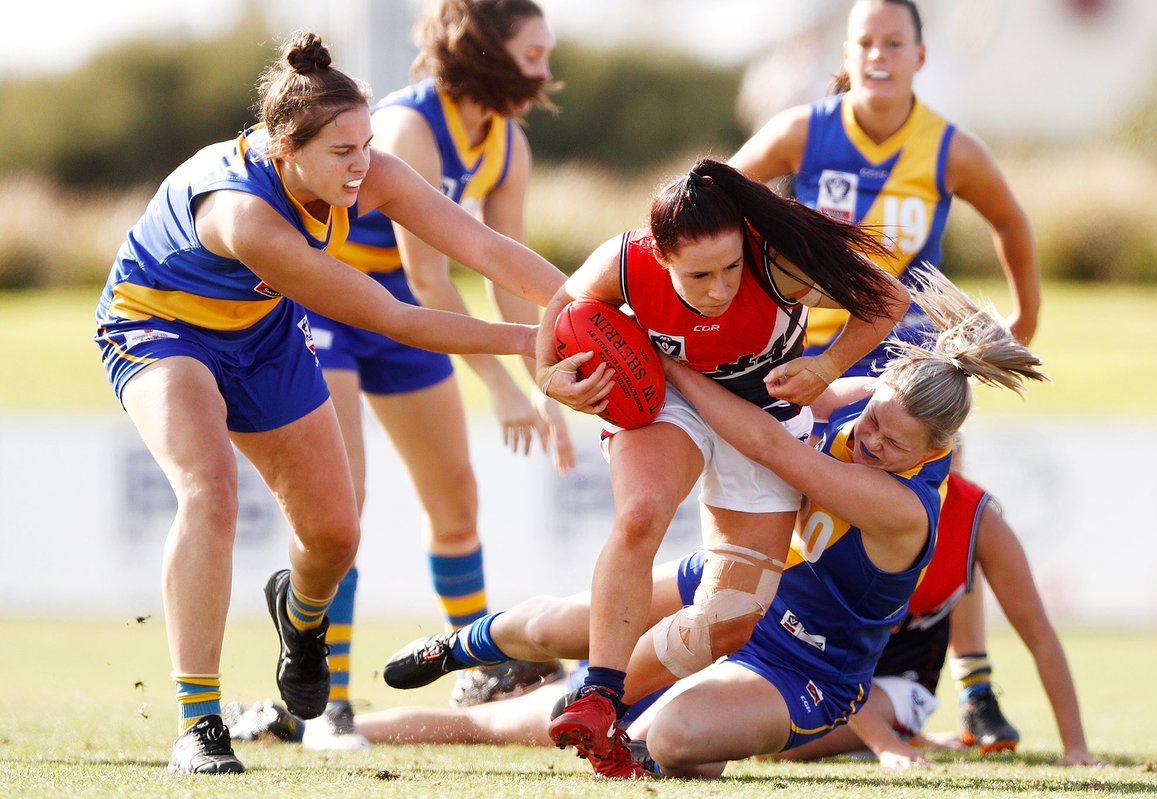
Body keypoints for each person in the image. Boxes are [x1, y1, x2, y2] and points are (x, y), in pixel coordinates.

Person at [92, 31, 565, 775]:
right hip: (159, 325)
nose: (362, 166)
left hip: (261, 331)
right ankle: (199, 722)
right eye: (343, 152)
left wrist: (588, 307)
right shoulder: (245, 215)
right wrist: (532, 343)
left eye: (366, 146)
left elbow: (486, 249)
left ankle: (303, 618)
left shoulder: (364, 170)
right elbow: (396, 317)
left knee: (335, 536)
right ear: (285, 146)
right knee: (208, 489)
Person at [384, 268, 1046, 777]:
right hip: (733, 582)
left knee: (669, 735)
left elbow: (770, 447)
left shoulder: (906, 509)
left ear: (935, 455)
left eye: (894, 444)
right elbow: (781, 397)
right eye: (875, 419)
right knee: (559, 624)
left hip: (800, 667)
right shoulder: (859, 402)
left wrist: (670, 362)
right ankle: (457, 646)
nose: (871, 439)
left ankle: (669, 736)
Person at [525, 156, 910, 770]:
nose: (722, 287)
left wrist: (828, 366)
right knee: (642, 513)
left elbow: (887, 297)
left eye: (731, 267)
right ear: (660, 254)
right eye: (700, 275)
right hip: (668, 394)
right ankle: (598, 693)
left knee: (729, 622)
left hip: (765, 420)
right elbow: (565, 302)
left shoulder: (779, 263)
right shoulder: (627, 262)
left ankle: (598, 690)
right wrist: (549, 377)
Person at [729, 0, 1042, 743]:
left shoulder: (949, 148)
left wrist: (1022, 325)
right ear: (846, 50)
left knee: (948, 521)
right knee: (776, 504)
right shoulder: (804, 129)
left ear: (920, 57)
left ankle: (976, 685)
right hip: (808, 366)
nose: (879, 55)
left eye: (893, 42)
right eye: (865, 41)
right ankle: (741, 649)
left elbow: (1012, 221)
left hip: (911, 376)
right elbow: (709, 204)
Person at [299, 0, 568, 751]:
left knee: (455, 499)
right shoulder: (412, 126)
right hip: (329, 308)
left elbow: (505, 275)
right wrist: (503, 387)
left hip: (401, 323)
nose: (547, 70)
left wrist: (545, 383)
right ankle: (327, 703)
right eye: (533, 53)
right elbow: (430, 281)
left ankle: (475, 666)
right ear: (486, 50)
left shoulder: (506, 141)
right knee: (341, 508)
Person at [771, 473, 1104, 768]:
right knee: (768, 732)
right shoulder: (850, 484)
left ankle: (972, 693)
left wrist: (1076, 748)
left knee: (785, 744)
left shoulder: (976, 517)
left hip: (897, 679)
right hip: (819, 662)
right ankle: (908, 727)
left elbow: (1038, 633)